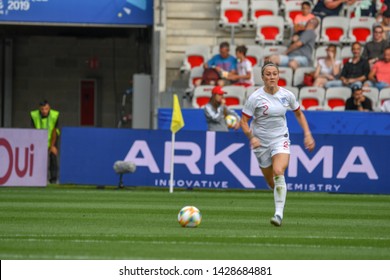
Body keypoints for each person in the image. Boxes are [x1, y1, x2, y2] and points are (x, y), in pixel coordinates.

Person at [240, 63, 315, 227]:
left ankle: (278, 214)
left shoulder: (287, 95)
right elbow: (244, 122)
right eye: (268, 74)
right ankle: (279, 196)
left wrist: (307, 134)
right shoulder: (255, 98)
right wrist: (251, 137)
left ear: (279, 76)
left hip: (280, 138)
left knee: (278, 170)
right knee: (272, 182)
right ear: (263, 77)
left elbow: (299, 114)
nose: (271, 77)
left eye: (274, 73)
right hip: (260, 142)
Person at [30, 100, 60, 184]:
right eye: (42, 109)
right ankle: (39, 178)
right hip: (39, 138)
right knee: (39, 158)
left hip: (52, 138)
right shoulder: (34, 115)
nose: (44, 111)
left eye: (46, 109)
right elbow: (34, 130)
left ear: (49, 108)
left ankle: (53, 179)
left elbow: (54, 130)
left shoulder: (55, 115)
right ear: (39, 109)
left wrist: (52, 146)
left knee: (53, 156)